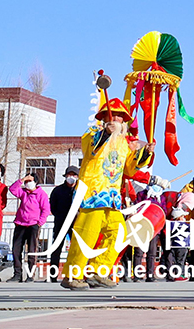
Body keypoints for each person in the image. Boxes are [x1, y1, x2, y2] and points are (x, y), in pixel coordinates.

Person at [60, 98, 155, 290]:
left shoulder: (123, 143)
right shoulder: (93, 133)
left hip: (112, 198)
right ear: (104, 118)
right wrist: (105, 133)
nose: (117, 119)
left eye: (121, 117)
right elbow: (91, 148)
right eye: (114, 116)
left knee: (119, 234)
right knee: (85, 236)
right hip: (93, 193)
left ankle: (98, 271)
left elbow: (129, 169)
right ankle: (72, 275)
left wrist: (145, 152)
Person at [7, 174, 50, 282]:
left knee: (32, 250)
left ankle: (30, 275)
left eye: (30, 181)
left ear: (35, 182)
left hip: (33, 225)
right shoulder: (23, 192)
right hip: (20, 224)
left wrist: (39, 223)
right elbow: (12, 189)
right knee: (16, 250)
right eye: (26, 181)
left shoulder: (41, 194)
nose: (27, 183)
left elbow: (46, 210)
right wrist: (22, 180)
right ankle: (17, 274)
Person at [132, 177, 169, 282]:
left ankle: (150, 275)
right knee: (139, 252)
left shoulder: (161, 198)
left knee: (152, 253)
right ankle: (137, 274)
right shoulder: (142, 194)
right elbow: (137, 207)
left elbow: (163, 212)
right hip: (141, 227)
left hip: (155, 229)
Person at [48, 166, 80, 281]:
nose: (71, 177)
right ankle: (53, 275)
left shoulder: (80, 190)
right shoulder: (58, 190)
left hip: (76, 223)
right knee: (56, 248)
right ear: (65, 176)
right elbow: (52, 206)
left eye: (74, 175)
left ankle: (75, 275)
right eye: (69, 175)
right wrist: (60, 215)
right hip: (60, 222)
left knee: (76, 249)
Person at [164, 192, 194, 282]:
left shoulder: (172, 224)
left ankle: (176, 274)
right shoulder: (181, 225)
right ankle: (179, 275)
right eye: (182, 216)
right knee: (180, 261)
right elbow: (190, 227)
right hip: (182, 245)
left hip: (176, 245)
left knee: (178, 260)